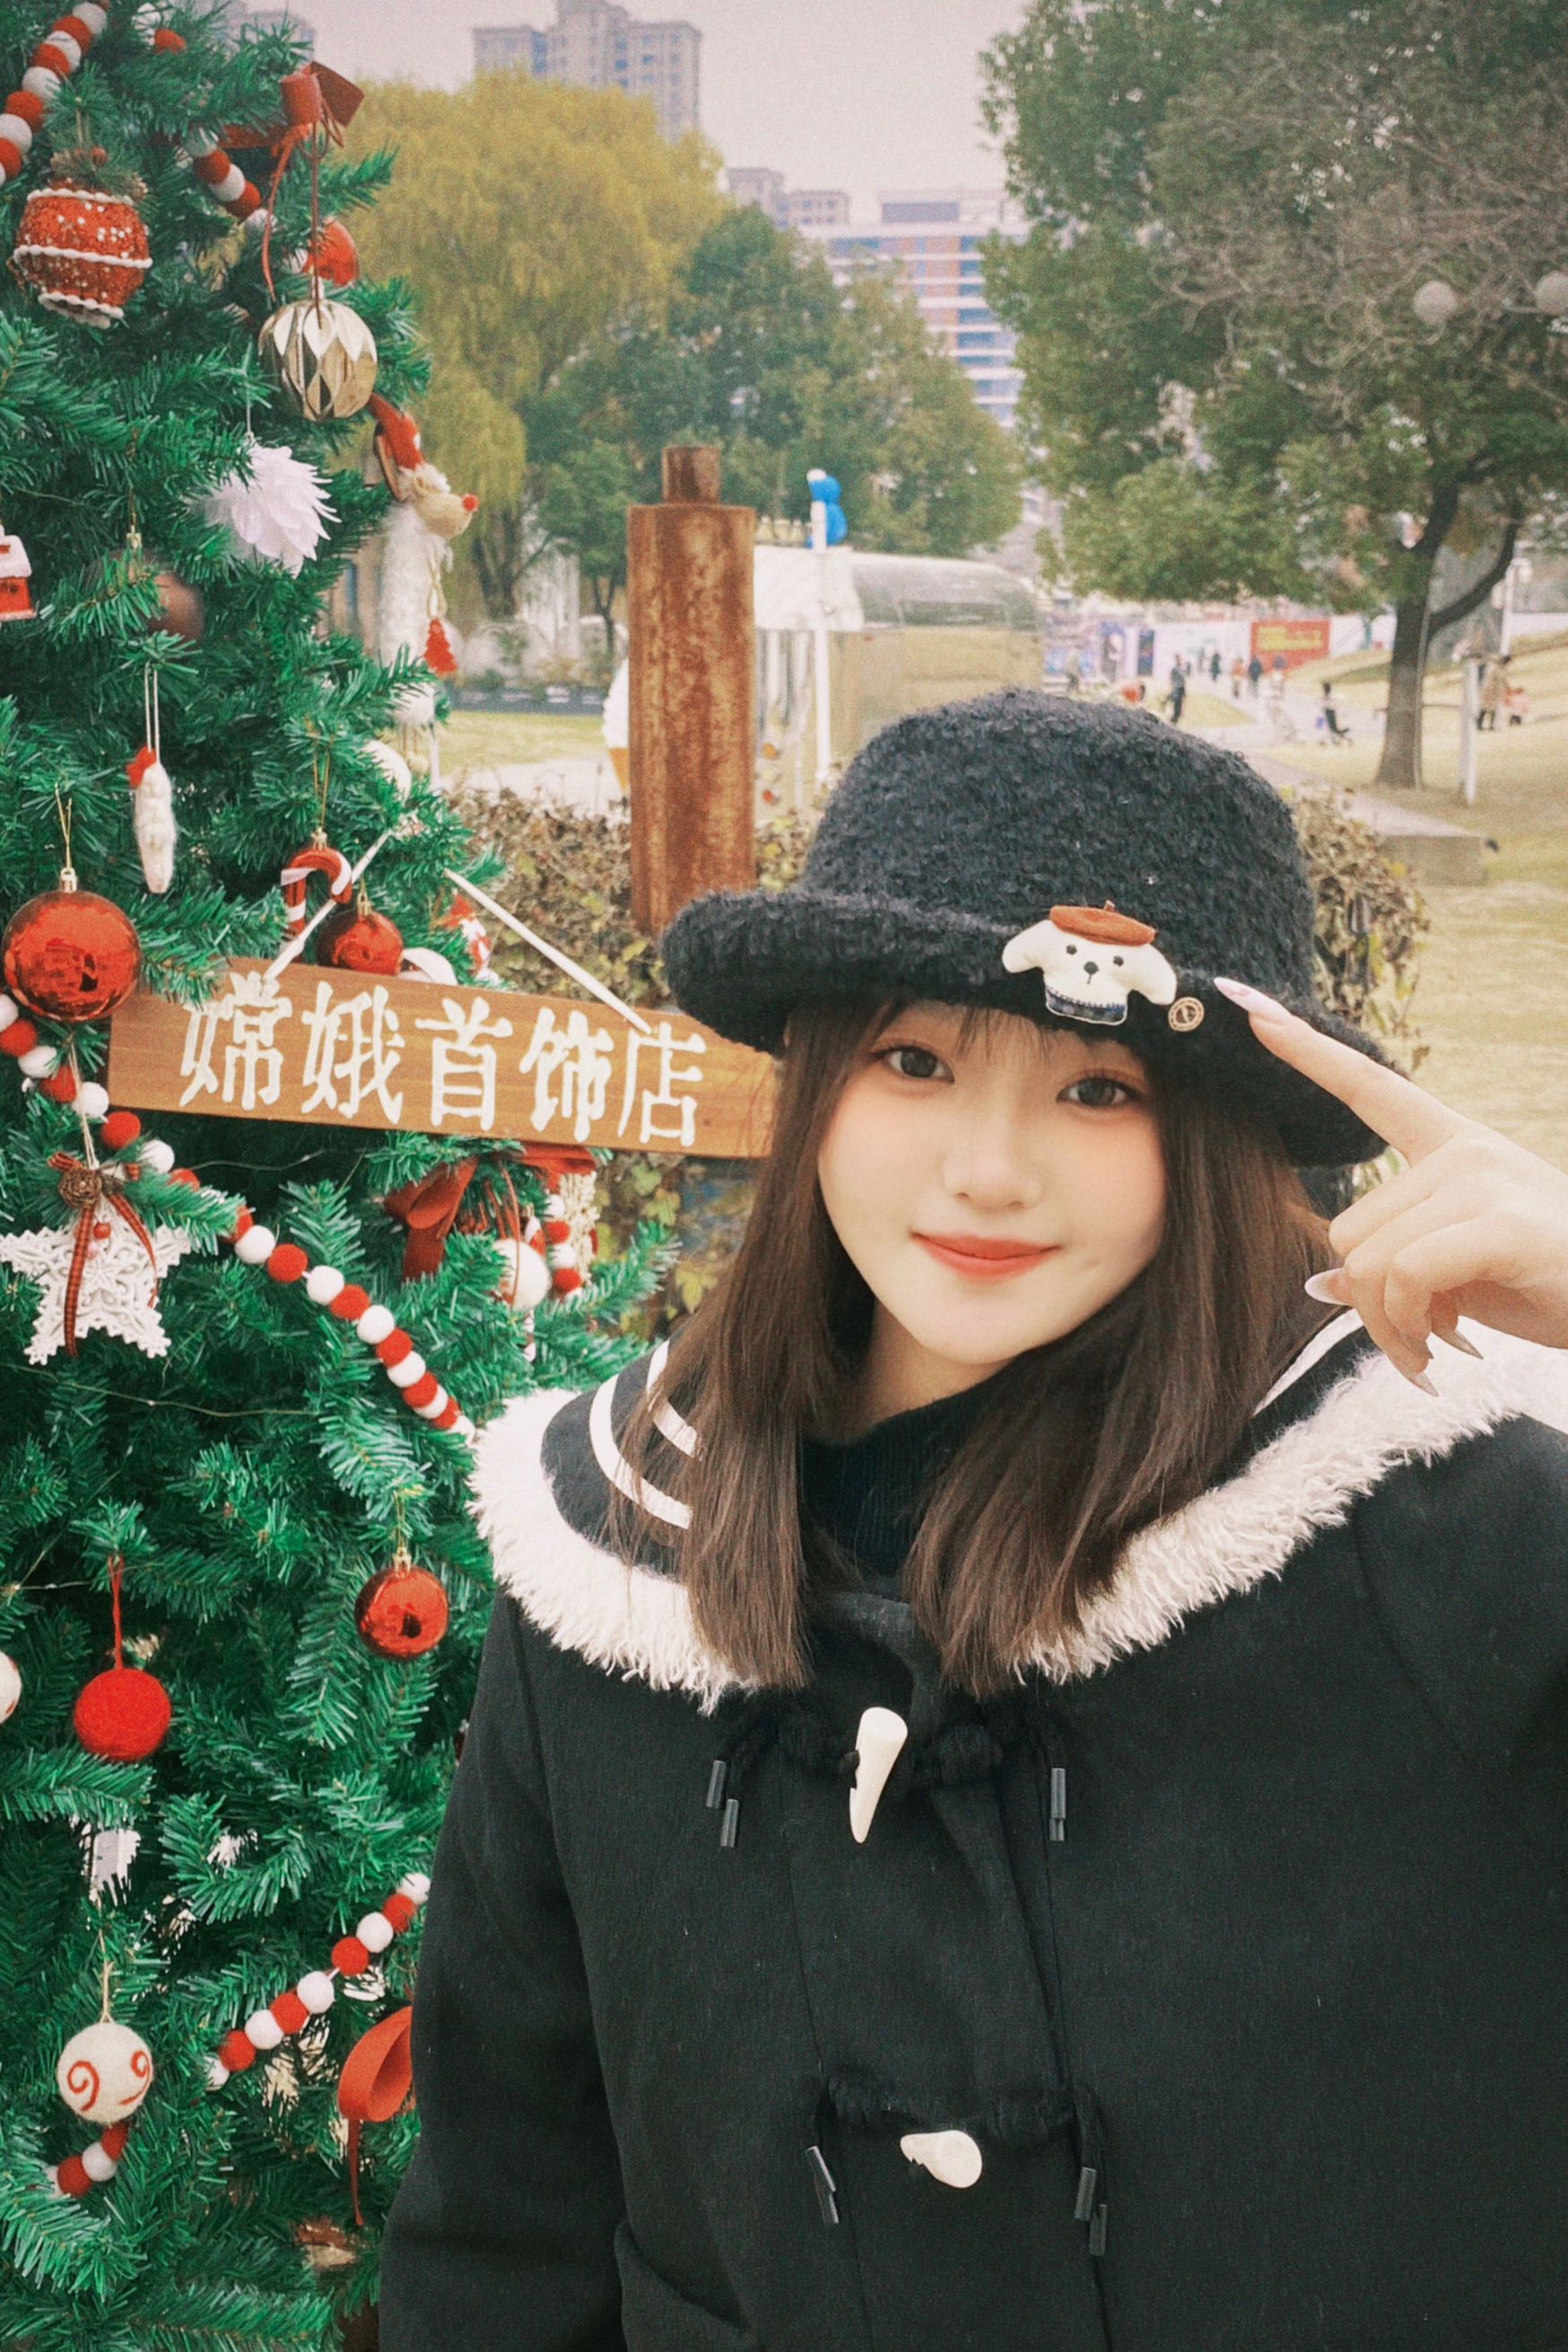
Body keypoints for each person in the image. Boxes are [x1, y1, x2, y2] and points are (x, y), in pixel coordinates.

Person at [380, 693, 1568, 2352]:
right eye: (915, 1061)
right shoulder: (616, 1550)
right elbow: (505, 2218)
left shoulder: (1448, 1521)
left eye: (1096, 1088)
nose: (987, 1171)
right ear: (816, 1077)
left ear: (1217, 1128)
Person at [1319, 677, 1352, 743]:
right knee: (1332, 728)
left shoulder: (1329, 697)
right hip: (1329, 712)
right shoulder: (1329, 696)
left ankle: (1341, 738)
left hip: (1330, 712)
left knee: (1332, 728)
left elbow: (1325, 703)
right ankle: (1343, 738)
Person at [1163, 658, 1186, 724]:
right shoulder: (1175, 669)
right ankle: (1174, 718)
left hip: (1180, 688)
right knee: (1176, 704)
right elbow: (1172, 678)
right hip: (1177, 688)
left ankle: (1175, 718)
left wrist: (1184, 691)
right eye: (1179, 660)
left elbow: (1183, 680)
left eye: (1180, 660)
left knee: (1178, 704)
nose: (1180, 662)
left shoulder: (1181, 670)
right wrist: (1172, 685)